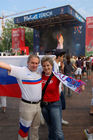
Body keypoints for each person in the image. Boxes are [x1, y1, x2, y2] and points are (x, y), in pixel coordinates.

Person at [0, 54, 42, 140]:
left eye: (36, 63)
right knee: (24, 130)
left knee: (35, 129)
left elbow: (51, 62)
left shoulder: (40, 71)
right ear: (27, 63)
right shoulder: (21, 71)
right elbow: (4, 65)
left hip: (38, 106)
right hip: (27, 106)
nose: (34, 65)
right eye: (32, 63)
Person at [41, 56, 64, 140]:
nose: (46, 67)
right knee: (50, 127)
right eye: (44, 66)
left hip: (55, 105)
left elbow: (70, 81)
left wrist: (80, 85)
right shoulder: (39, 76)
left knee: (58, 131)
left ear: (51, 65)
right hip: (44, 106)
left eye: (48, 65)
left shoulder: (57, 76)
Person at [53, 50, 69, 125]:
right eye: (62, 56)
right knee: (58, 105)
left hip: (59, 88)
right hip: (57, 90)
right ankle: (58, 120)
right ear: (58, 56)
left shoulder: (56, 64)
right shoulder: (53, 64)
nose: (63, 58)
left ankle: (60, 119)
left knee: (61, 105)